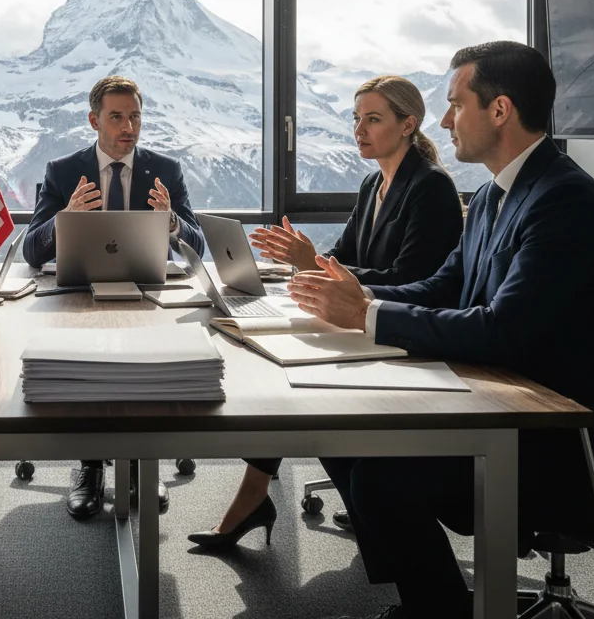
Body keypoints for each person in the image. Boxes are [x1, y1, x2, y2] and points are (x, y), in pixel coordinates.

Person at [288, 42, 594, 619]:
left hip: (559, 431)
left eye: (455, 104)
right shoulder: (496, 194)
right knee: (346, 438)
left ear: (499, 110)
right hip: (495, 396)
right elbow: (443, 287)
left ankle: (440, 608)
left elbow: (503, 330)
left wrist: (366, 316)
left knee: (379, 477)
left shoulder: (563, 199)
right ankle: (434, 601)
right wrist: (352, 299)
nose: (444, 121)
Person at [188, 75, 464, 548]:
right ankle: (261, 497)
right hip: (361, 323)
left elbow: (410, 279)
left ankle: (268, 501)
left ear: (408, 124)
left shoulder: (430, 187)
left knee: (290, 383)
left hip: (400, 329)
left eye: (373, 119)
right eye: (356, 119)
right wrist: (304, 264)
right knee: (276, 364)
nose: (360, 129)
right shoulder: (374, 182)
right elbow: (342, 255)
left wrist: (313, 267)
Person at [24, 75, 205, 519]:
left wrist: (172, 224)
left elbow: (198, 248)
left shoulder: (165, 170)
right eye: (117, 117)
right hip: (82, 293)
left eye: (136, 117)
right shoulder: (64, 171)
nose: (129, 127)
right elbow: (32, 251)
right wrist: (64, 219)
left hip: (147, 293)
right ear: (94, 120)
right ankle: (90, 466)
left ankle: (145, 463)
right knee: (91, 373)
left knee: (149, 373)